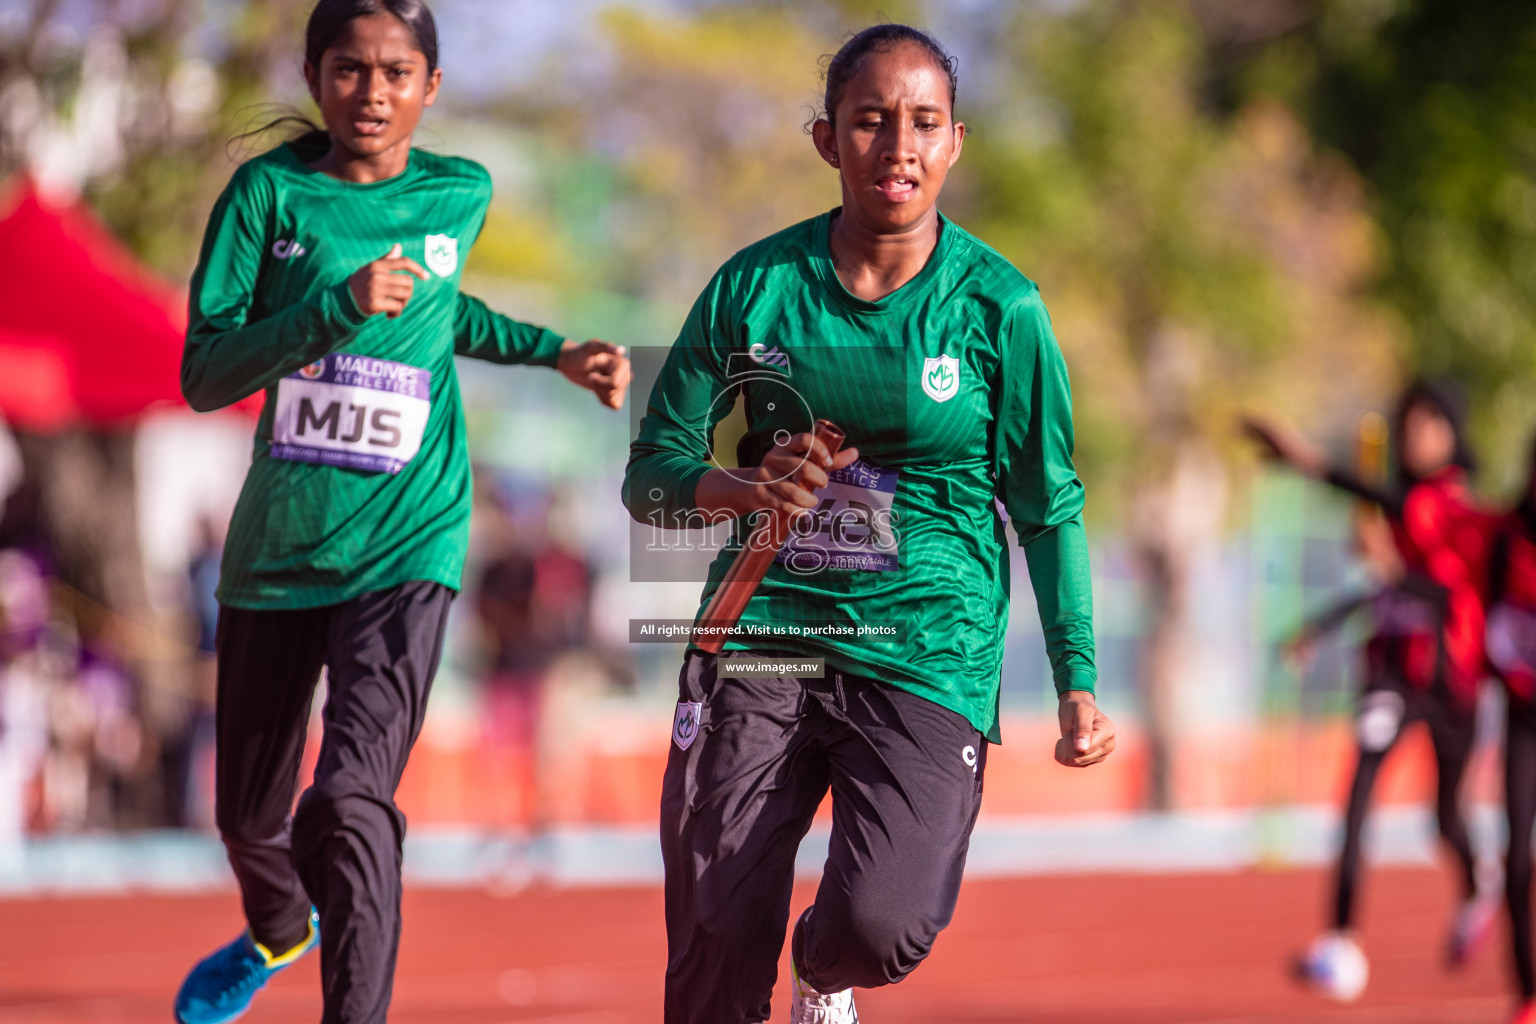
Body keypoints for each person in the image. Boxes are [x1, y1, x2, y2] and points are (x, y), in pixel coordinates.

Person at [623, 24, 1114, 1024]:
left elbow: (1048, 509)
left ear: (956, 142)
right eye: (870, 121)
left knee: (882, 924)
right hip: (759, 638)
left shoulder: (999, 309)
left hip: (924, 647)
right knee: (715, 942)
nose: (899, 145)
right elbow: (651, 478)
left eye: (923, 122)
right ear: (826, 139)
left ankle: (823, 971)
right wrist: (744, 490)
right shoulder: (753, 287)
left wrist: (1078, 680)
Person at [172, 2, 631, 1022]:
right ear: (312, 73)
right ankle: (281, 924)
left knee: (349, 798)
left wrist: (554, 349)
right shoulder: (269, 196)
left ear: (430, 87)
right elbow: (205, 372)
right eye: (347, 70)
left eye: (394, 73)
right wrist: (335, 305)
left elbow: (445, 306)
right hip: (278, 554)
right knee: (250, 821)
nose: (370, 93)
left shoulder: (459, 193)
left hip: (408, 540)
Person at [1246, 381, 1495, 1002]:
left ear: (1452, 433)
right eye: (1407, 422)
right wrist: (1319, 627)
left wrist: (1309, 463)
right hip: (1392, 676)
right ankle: (1341, 938)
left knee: (1445, 818)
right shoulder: (1401, 507)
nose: (1414, 434)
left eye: (1428, 422)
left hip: (1450, 685)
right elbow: (1384, 586)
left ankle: (1477, 882)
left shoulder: (1453, 506)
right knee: (1357, 789)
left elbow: (1440, 587)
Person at [1486, 438, 1536, 1024]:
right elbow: (1491, 625)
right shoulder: (1508, 538)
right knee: (1517, 859)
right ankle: (1527, 992)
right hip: (1523, 719)